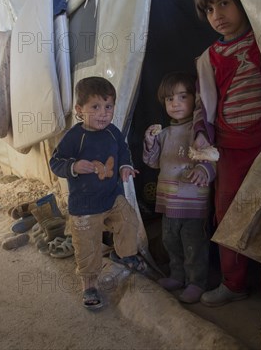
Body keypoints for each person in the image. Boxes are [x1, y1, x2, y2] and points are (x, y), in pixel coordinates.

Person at [192, 0, 261, 324]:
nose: (217, 15)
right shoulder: (208, 59)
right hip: (229, 151)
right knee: (228, 217)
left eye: (224, 3)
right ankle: (234, 283)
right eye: (209, 9)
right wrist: (201, 137)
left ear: (243, 1)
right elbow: (202, 106)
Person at [49, 76, 146, 310]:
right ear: (80, 110)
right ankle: (89, 286)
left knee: (129, 220)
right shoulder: (74, 137)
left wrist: (124, 167)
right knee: (88, 248)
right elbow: (55, 162)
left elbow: (123, 151)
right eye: (96, 107)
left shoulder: (113, 132)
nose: (103, 113)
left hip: (112, 197)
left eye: (108, 107)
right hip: (84, 206)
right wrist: (73, 166)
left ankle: (124, 255)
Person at [142, 71, 215, 304]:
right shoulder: (164, 133)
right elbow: (153, 162)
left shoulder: (200, 130)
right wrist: (150, 142)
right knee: (171, 242)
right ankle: (177, 276)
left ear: (195, 99)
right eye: (170, 99)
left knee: (194, 245)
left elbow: (214, 158)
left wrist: (204, 170)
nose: (175, 104)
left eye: (183, 97)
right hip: (169, 201)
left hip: (193, 202)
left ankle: (196, 282)